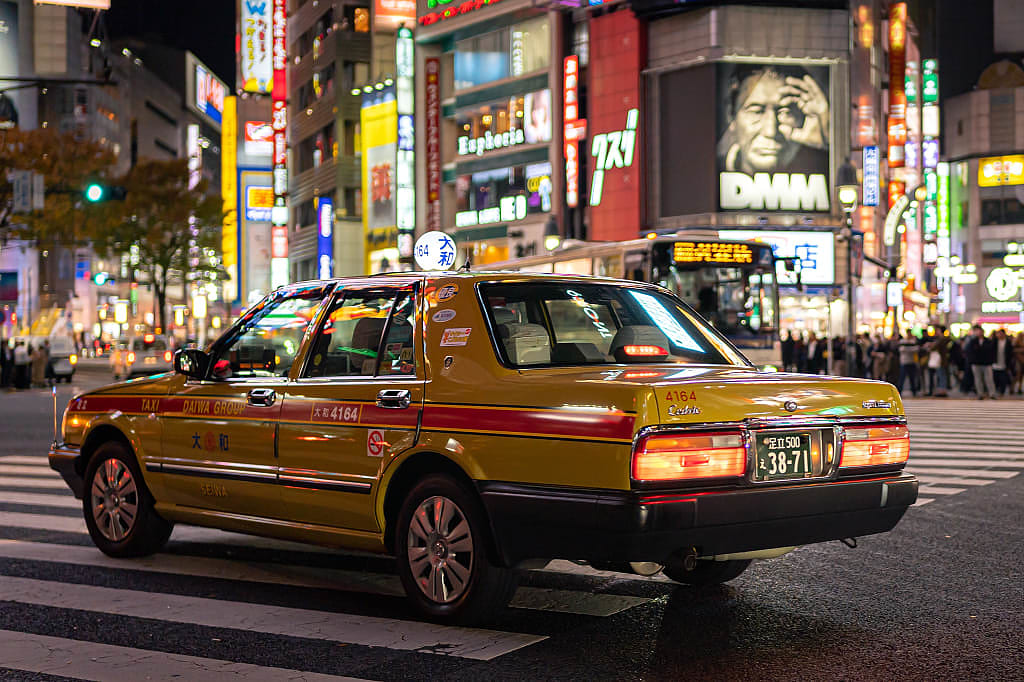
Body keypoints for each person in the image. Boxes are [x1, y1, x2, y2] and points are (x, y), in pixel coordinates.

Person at [719, 64, 830, 176]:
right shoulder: (710, 171)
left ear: (805, 117)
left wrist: (828, 140)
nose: (770, 131)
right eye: (757, 111)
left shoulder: (825, 168)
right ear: (731, 114)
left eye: (785, 112)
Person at [963, 325, 996, 399]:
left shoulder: (988, 341)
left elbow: (991, 351)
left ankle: (992, 393)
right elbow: (968, 351)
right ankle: (980, 394)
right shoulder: (973, 341)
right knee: (978, 379)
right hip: (976, 362)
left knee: (989, 379)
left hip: (986, 363)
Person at [924, 326, 950, 397]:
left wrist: (930, 345)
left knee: (941, 375)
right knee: (941, 375)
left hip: (941, 360)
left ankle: (942, 391)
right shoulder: (942, 338)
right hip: (941, 360)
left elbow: (934, 347)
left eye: (937, 330)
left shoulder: (942, 338)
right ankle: (941, 390)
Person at [992, 328, 1014, 396]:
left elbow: (1010, 353)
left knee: (1003, 379)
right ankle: (995, 391)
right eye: (999, 334)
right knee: (995, 379)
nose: (1000, 335)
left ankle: (1002, 392)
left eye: (1001, 334)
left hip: (1004, 364)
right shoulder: (994, 341)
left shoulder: (1008, 342)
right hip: (995, 363)